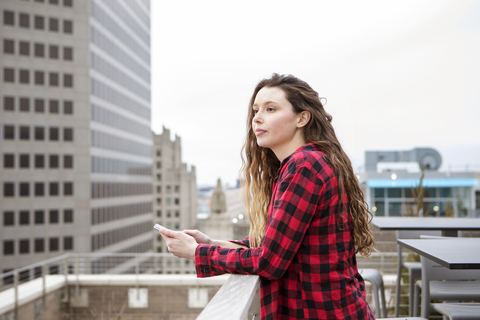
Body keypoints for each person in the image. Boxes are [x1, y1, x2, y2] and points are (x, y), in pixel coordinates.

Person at [159, 73, 376, 320]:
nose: (257, 118)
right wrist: (209, 243)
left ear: (302, 118)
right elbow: (272, 247)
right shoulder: (305, 163)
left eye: (270, 109)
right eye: (255, 110)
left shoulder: (304, 166)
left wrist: (196, 253)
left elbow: (269, 261)